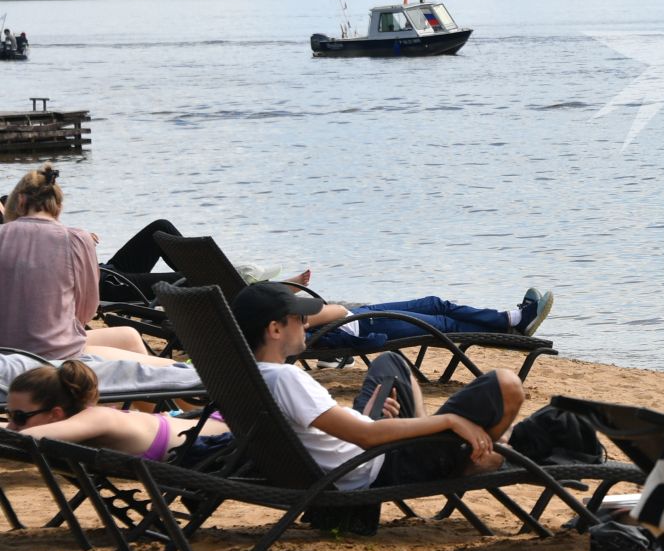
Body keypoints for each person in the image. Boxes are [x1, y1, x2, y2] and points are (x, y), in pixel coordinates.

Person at [231, 281, 521, 488]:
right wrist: (449, 421)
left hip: (357, 451)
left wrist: (365, 415)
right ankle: (466, 460)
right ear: (275, 329)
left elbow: (343, 429)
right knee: (506, 384)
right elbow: (367, 437)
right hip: (375, 462)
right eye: (299, 318)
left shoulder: (246, 374)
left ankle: (441, 442)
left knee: (390, 362)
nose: (307, 323)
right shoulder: (285, 378)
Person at [0, 167, 152, 361]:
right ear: (59, 206)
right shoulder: (75, 239)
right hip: (54, 356)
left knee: (129, 335)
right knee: (168, 367)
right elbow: (85, 313)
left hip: (5, 354)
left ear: (21, 201)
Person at [7, 359, 228, 460]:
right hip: (201, 425)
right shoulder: (85, 420)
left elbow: (20, 438)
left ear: (56, 414)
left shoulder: (97, 418)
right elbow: (13, 433)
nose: (11, 424)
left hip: (231, 438)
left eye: (19, 417)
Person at [298, 285, 555, 350]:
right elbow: (337, 312)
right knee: (446, 326)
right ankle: (513, 326)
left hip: (362, 317)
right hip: (363, 325)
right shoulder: (289, 328)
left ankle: (509, 320)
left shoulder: (276, 327)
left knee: (434, 303)